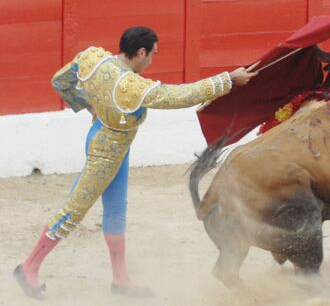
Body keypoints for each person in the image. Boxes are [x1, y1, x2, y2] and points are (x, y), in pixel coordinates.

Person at [13, 26, 259, 299]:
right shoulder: (132, 87)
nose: (152, 60)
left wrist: (89, 106)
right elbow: (182, 96)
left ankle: (121, 280)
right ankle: (29, 267)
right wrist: (228, 80)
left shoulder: (94, 57)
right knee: (75, 209)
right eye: (152, 54)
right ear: (140, 52)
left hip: (108, 141)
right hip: (106, 151)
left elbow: (60, 81)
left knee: (116, 210)